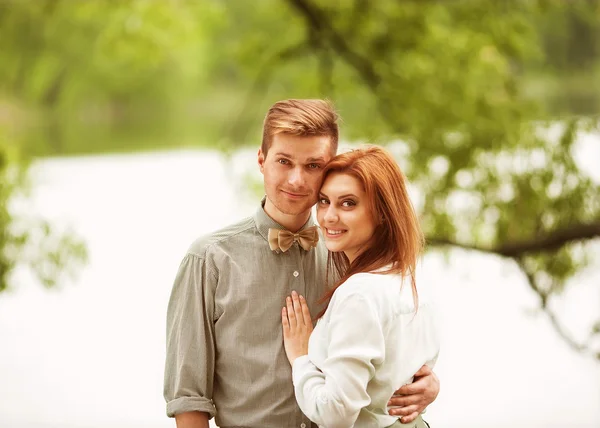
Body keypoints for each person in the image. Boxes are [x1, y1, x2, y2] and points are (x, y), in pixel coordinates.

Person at [164, 99, 439, 428]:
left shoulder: (350, 250)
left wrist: (427, 383)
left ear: (330, 168)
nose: (296, 180)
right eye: (284, 161)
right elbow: (189, 397)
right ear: (262, 160)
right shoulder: (210, 259)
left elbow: (390, 345)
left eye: (312, 166)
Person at [282, 146, 439, 427]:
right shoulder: (406, 277)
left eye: (348, 203)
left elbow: (335, 414)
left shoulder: (359, 294)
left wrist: (301, 357)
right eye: (324, 201)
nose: (329, 216)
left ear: (382, 213)